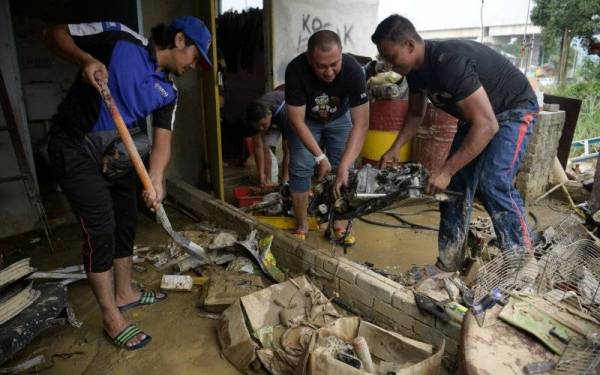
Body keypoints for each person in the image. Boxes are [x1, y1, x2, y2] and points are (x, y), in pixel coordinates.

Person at [44, 17, 212, 350]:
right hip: (74, 144)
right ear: (179, 40)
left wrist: (156, 179)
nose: (195, 64)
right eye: (196, 55)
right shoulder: (120, 39)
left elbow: (163, 141)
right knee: (100, 226)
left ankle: (125, 293)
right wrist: (87, 60)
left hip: (119, 152)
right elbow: (53, 32)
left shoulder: (169, 92)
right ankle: (110, 315)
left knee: (125, 221)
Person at [372, 15, 539, 271]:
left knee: (494, 182)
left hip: (512, 110)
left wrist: (447, 169)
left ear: (409, 45)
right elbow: (416, 114)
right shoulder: (414, 72)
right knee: (453, 190)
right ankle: (449, 262)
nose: (387, 63)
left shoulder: (448, 61)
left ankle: (523, 266)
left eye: (390, 56)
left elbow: (488, 125)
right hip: (478, 118)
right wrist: (394, 150)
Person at [285, 30, 369, 244]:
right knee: (301, 167)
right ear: (309, 59)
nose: (329, 72)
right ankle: (302, 224)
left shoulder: (353, 70)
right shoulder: (296, 70)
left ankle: (338, 224)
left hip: (340, 118)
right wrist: (320, 157)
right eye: (322, 66)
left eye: (334, 64)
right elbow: (296, 120)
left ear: (341, 54)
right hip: (307, 121)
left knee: (344, 172)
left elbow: (361, 124)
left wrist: (344, 165)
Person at [245, 90, 289, 186]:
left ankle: (285, 181)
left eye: (263, 125)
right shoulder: (252, 119)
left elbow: (287, 151)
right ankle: (268, 181)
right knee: (265, 147)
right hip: (271, 118)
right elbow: (258, 148)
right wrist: (261, 175)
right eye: (258, 126)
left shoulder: (283, 113)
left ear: (269, 115)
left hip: (286, 109)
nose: (261, 129)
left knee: (289, 149)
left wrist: (285, 181)